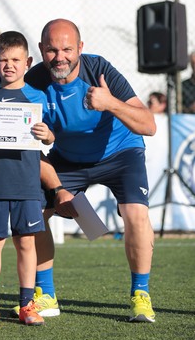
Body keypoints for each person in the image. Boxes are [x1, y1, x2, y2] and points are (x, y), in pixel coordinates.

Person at [23, 18, 157, 323]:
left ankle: (141, 295)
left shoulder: (100, 70)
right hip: (68, 159)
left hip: (120, 153)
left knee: (136, 213)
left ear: (80, 48)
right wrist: (58, 189)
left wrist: (111, 103)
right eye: (52, 50)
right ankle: (46, 294)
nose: (60, 57)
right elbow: (28, 149)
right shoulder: (33, 82)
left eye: (68, 49)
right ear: (42, 50)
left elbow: (149, 125)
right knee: (32, 208)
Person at [0, 31, 55, 326]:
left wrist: (47, 135)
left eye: (16, 59)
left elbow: (51, 136)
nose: (9, 65)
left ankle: (27, 305)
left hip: (27, 185)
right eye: (3, 60)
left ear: (28, 62)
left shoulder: (37, 97)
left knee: (26, 243)